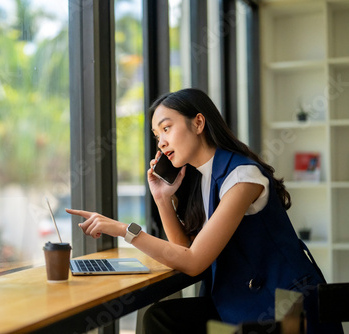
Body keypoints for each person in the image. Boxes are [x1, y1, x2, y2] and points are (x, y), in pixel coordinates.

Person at [66, 88, 344, 334]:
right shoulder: (202, 179)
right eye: (156, 135)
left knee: (165, 320)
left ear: (198, 123)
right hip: (240, 303)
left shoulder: (242, 176)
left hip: (283, 308)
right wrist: (162, 199)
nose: (161, 142)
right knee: (161, 318)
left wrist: (123, 230)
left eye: (166, 128)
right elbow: (184, 250)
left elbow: (194, 261)